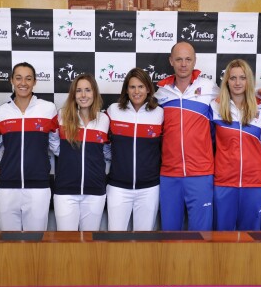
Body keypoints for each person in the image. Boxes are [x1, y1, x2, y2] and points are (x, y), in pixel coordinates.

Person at [155, 41, 220, 231]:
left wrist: (260, 96)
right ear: (171, 61)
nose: (183, 64)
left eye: (188, 59)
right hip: (169, 175)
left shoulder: (209, 87)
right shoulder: (161, 94)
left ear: (194, 61)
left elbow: (236, 101)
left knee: (201, 236)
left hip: (200, 174)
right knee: (170, 235)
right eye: (179, 59)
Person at [0, 62, 58, 231]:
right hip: (8, 187)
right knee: (9, 242)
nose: (23, 83)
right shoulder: (2, 112)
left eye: (28, 78)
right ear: (11, 80)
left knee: (36, 243)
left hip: (39, 187)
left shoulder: (48, 109)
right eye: (19, 78)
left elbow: (56, 145)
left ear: (34, 81)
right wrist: (6, 164)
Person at [211, 59, 261, 231]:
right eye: (233, 78)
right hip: (224, 183)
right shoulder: (214, 107)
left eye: (242, 78)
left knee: (250, 239)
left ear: (248, 80)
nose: (237, 83)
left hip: (254, 183)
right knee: (222, 238)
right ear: (226, 81)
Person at [50, 73, 110, 231]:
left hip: (95, 192)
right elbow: (54, 143)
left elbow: (106, 151)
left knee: (89, 246)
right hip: (65, 192)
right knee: (66, 244)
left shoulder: (104, 120)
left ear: (94, 93)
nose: (83, 95)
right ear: (73, 94)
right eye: (79, 90)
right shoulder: (62, 116)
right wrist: (66, 156)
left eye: (88, 90)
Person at [106, 67, 163, 231]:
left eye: (141, 86)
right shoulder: (114, 110)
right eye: (132, 87)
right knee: (115, 240)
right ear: (126, 90)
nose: (136, 91)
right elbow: (104, 143)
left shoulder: (159, 113)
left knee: (144, 243)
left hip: (149, 189)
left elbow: (164, 148)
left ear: (148, 89)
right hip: (118, 187)